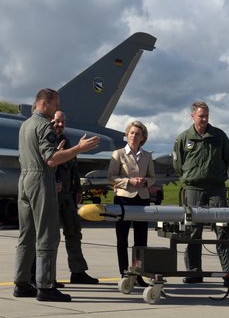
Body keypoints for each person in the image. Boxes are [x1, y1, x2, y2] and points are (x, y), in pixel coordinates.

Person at [13, 89, 100, 302]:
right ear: (45, 103)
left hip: (24, 180)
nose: (56, 110)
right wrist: (78, 148)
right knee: (48, 235)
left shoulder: (25, 125)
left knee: (27, 235)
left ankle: (22, 283)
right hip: (41, 181)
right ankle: (46, 286)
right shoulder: (44, 126)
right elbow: (51, 160)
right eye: (55, 105)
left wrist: (63, 151)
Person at [173, 101, 229, 287]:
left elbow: (228, 158)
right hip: (193, 189)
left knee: (222, 230)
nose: (204, 119)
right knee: (193, 231)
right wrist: (192, 175)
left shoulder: (218, 136)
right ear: (192, 116)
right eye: (201, 116)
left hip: (216, 189)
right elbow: (178, 164)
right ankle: (194, 272)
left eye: (207, 115)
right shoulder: (184, 138)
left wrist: (216, 174)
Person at [52, 111, 99, 285]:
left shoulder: (66, 140)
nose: (60, 125)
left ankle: (78, 271)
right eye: (57, 121)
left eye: (63, 122)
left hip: (68, 195)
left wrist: (77, 189)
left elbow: (73, 166)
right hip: (52, 195)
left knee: (74, 232)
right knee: (50, 237)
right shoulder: (47, 140)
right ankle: (46, 276)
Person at [108, 121, 156, 287]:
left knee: (141, 240)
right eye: (132, 133)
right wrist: (129, 181)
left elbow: (153, 178)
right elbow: (111, 177)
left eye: (138, 134)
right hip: (123, 198)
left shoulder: (147, 156)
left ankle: (138, 274)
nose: (134, 136)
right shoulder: (118, 154)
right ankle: (124, 273)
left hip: (141, 199)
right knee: (122, 239)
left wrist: (144, 182)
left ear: (143, 138)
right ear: (127, 135)